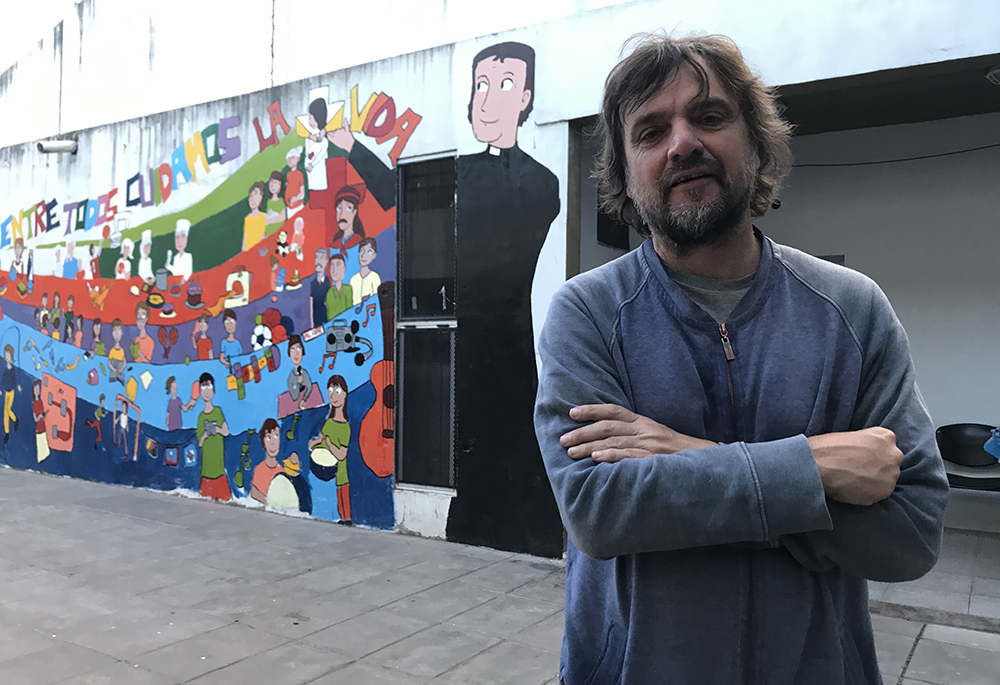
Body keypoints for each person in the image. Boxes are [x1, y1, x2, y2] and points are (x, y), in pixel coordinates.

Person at [532, 34, 949, 684]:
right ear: (625, 172)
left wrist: (687, 457)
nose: (682, 143)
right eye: (649, 131)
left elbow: (912, 531)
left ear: (755, 143)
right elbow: (597, 510)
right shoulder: (586, 314)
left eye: (709, 116)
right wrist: (814, 466)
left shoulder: (852, 308)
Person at [447, 40, 561, 551]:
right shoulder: (455, 174)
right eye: (481, 86)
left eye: (506, 85)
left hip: (506, 344)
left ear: (527, 99)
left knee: (509, 441)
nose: (488, 100)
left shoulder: (542, 183)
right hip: (464, 343)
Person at [308, 375, 351, 524]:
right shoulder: (328, 422)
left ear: (345, 394)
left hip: (340, 469)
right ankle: (343, 517)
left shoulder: (345, 427)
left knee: (343, 491)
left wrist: (330, 445)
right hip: (328, 465)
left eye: (337, 391)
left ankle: (347, 518)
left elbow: (341, 454)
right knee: (339, 493)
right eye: (330, 390)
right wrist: (313, 444)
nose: (333, 395)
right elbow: (319, 441)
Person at [196, 372, 231, 501]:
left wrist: (217, 429)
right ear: (200, 391)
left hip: (220, 472)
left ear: (213, 389)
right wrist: (206, 434)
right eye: (203, 387)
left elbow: (226, 432)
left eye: (209, 386)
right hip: (206, 473)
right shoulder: (201, 417)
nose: (206, 390)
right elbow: (199, 442)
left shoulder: (218, 411)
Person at [251, 418, 285, 505]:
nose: (273, 442)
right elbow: (254, 493)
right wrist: (270, 503)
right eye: (268, 437)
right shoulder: (259, 469)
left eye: (276, 435)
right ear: (263, 442)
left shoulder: (282, 471)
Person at [331, 186, 365, 250]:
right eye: (339, 208)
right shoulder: (334, 246)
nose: (342, 214)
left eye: (348, 208)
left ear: (354, 212)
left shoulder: (360, 244)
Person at [349, 237, 380, 306]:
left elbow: (376, 300)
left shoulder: (374, 277)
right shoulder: (353, 279)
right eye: (362, 250)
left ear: (374, 255)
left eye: (369, 251)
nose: (363, 255)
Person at [285, 335, 312, 411]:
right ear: (289, 354)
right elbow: (295, 397)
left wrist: (304, 399)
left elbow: (309, 387)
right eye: (292, 349)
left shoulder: (304, 373)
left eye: (298, 348)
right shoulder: (291, 378)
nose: (296, 353)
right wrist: (298, 383)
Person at [2, 345, 20, 444]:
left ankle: (15, 419)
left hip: (11, 392)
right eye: (6, 355)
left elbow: (14, 381)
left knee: (8, 410)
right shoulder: (5, 371)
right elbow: (3, 380)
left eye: (9, 355)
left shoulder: (12, 370)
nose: (7, 357)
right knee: (5, 413)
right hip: (6, 392)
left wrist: (17, 387)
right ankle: (7, 433)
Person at [325, 253, 352, 319]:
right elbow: (330, 316)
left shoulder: (349, 289)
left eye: (338, 265)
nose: (334, 270)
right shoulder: (329, 293)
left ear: (344, 268)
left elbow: (350, 312)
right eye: (332, 265)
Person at [243, 181, 267, 252]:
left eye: (256, 194)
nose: (252, 199)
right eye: (250, 196)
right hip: (249, 254)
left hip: (260, 252)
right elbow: (245, 238)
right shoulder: (247, 219)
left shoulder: (264, 217)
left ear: (261, 196)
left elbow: (265, 237)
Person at [284, 146, 306, 218]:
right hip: (289, 208)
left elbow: (302, 193)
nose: (290, 160)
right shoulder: (288, 174)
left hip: (297, 207)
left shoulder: (299, 174)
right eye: (289, 158)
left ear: (297, 159)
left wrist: (295, 199)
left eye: (292, 158)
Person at [310, 248, 329, 328]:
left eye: (321, 258)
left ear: (327, 261)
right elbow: (311, 305)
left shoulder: (329, 282)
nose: (318, 261)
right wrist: (312, 325)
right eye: (316, 257)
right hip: (316, 322)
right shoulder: (312, 284)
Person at [108, 319, 126, 385]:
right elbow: (109, 363)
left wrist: (121, 369)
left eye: (119, 330)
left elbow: (124, 362)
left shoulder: (122, 350)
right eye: (115, 330)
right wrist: (114, 370)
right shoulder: (112, 350)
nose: (117, 333)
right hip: (113, 375)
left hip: (120, 375)